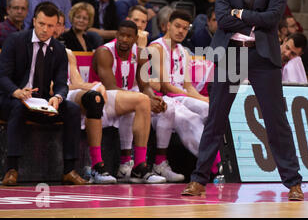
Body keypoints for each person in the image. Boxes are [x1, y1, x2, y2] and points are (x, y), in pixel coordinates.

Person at [181, 0, 304, 201]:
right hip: (231, 53)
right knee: (215, 118)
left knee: (276, 120)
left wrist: (242, 14)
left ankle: (294, 182)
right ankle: (199, 180)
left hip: (262, 57)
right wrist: (251, 20)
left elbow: (272, 19)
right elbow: (223, 20)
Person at [0, 2, 87, 186]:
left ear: (56, 26)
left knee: (71, 109)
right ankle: (11, 169)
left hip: (41, 101)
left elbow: (62, 83)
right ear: (34, 21)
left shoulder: (59, 49)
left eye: (50, 25)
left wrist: (57, 97)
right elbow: (2, 76)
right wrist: (16, 91)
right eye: (41, 24)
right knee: (17, 107)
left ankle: (69, 170)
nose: (45, 29)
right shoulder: (15, 41)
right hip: (14, 99)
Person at [148, 10, 222, 181]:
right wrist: (199, 98)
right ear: (167, 26)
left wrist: (204, 100)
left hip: (179, 95)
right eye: (177, 26)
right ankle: (214, 165)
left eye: (185, 28)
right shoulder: (156, 47)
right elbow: (166, 86)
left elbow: (188, 86)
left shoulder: (184, 51)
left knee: (210, 110)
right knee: (189, 118)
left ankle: (219, 160)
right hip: (162, 96)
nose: (181, 31)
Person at [92, 20, 167, 183]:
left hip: (122, 101)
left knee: (145, 103)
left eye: (129, 36)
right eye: (121, 35)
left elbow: (145, 85)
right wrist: (146, 99)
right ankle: (133, 164)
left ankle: (136, 165)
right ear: (116, 35)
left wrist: (153, 98)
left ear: (135, 39)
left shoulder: (140, 54)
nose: (124, 39)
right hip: (99, 102)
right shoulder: (104, 52)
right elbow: (111, 87)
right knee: (141, 101)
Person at [53, 11, 117, 184]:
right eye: (51, 24)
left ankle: (97, 165)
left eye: (59, 24)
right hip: (49, 95)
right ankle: (91, 164)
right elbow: (49, 87)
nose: (55, 28)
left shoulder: (67, 52)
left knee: (93, 97)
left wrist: (95, 85)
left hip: (66, 91)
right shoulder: (39, 49)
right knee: (91, 96)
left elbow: (77, 82)